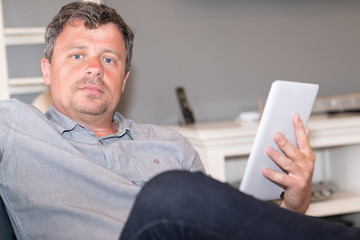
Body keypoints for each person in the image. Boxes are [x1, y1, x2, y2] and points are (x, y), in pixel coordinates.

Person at [0, 1, 355, 240]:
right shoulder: (15, 127)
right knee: (169, 192)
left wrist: (294, 205)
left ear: (124, 80)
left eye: (109, 60)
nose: (94, 67)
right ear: (47, 70)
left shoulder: (171, 144)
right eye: (77, 55)